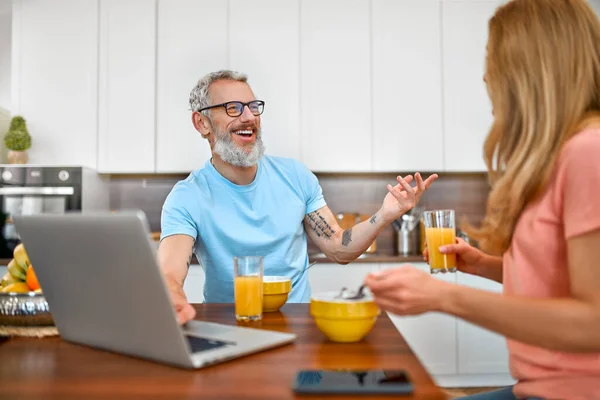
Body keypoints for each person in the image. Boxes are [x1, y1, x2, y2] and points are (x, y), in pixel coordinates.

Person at [365, 0, 600, 399]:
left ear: (527, 71)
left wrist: (445, 296)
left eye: (493, 60)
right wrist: (485, 266)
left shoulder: (588, 153)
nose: (486, 76)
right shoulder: (561, 156)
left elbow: (594, 321)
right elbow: (559, 282)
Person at [157, 69, 438, 324]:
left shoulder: (296, 177)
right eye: (233, 108)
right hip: (230, 326)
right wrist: (171, 296)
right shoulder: (187, 197)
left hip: (299, 326)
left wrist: (384, 215)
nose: (249, 117)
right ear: (201, 123)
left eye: (253, 107)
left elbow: (340, 248)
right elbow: (170, 272)